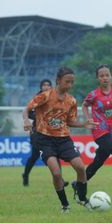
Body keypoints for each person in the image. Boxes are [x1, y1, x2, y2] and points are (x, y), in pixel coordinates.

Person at [23, 67, 97, 213]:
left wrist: (84, 124)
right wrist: (26, 120)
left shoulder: (71, 101)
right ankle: (65, 205)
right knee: (56, 173)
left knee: (81, 168)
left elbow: (70, 121)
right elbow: (26, 109)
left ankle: (82, 198)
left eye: (72, 82)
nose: (69, 85)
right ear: (58, 81)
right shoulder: (45, 96)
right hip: (45, 140)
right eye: (67, 82)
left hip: (64, 140)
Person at [77, 64, 112, 201]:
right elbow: (84, 105)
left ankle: (77, 184)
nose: (105, 78)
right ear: (98, 78)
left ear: (111, 76)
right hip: (100, 130)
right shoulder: (94, 94)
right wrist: (88, 118)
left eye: (107, 75)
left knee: (98, 162)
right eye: (101, 76)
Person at [22, 79, 69, 187]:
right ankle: (25, 175)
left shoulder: (54, 97)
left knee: (55, 154)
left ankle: (60, 178)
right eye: (44, 85)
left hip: (51, 132)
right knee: (34, 156)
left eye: (48, 85)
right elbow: (28, 112)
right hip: (37, 131)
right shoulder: (38, 98)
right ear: (41, 87)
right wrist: (40, 117)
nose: (46, 87)